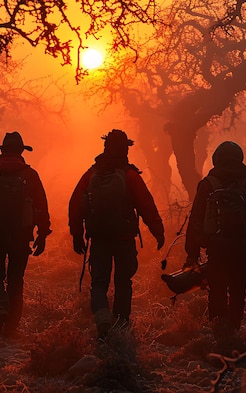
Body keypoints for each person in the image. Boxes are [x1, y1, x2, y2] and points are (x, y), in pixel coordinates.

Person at [69, 129, 165, 339]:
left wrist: (77, 235)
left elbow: (75, 205)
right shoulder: (130, 175)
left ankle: (103, 318)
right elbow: (146, 205)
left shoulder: (91, 174)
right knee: (123, 282)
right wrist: (158, 231)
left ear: (105, 147)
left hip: (99, 238)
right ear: (125, 149)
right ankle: (121, 325)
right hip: (124, 239)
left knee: (99, 283)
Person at [184, 141, 246, 336]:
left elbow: (195, 220)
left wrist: (192, 253)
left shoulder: (208, 184)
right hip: (243, 248)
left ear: (216, 159)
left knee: (216, 291)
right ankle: (234, 331)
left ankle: (219, 334)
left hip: (216, 248)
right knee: (237, 292)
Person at [0, 131, 51, 338]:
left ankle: (0, 307)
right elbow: (42, 205)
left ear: (2, 150)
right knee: (16, 279)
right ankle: (12, 328)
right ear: (22, 151)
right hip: (21, 235)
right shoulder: (30, 174)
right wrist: (42, 234)